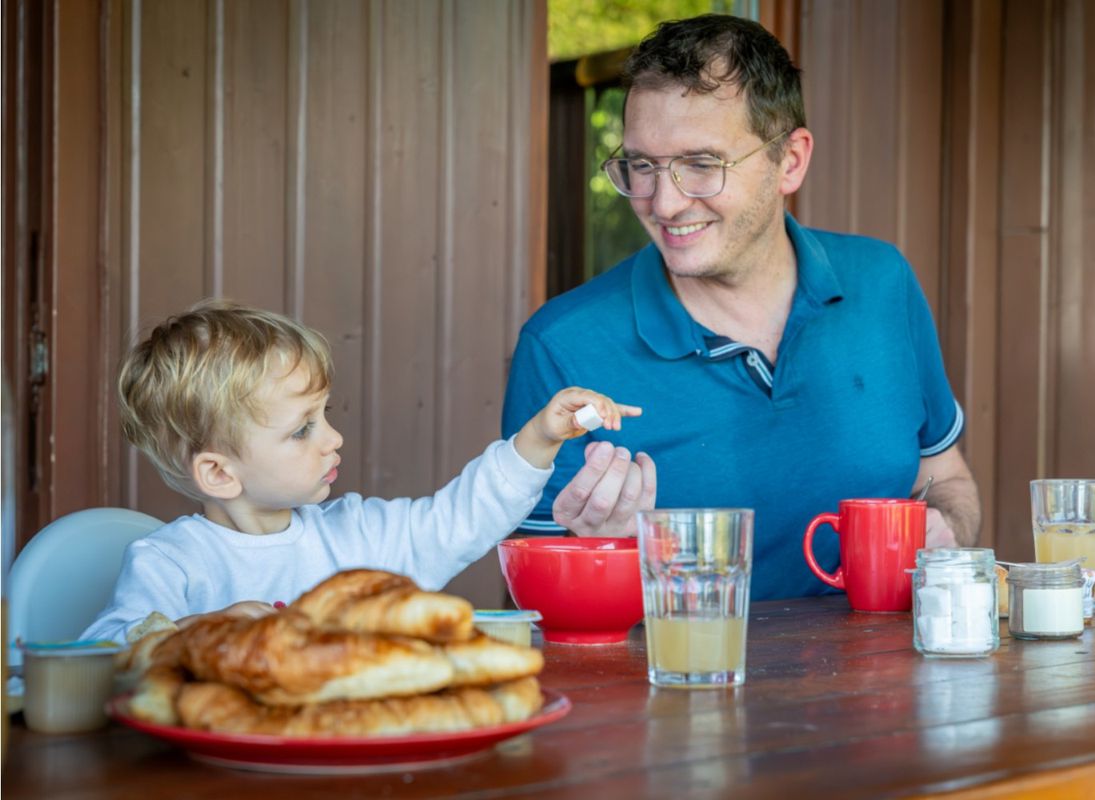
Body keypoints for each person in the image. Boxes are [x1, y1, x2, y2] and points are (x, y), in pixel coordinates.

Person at [501, 14, 980, 600]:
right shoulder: (562, 345)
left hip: (891, 664)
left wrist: (946, 530)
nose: (664, 204)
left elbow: (945, 476)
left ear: (790, 161)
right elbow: (537, 605)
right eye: (643, 166)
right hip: (684, 662)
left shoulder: (883, 282)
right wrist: (610, 555)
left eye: (702, 165)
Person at [83, 301, 638, 643]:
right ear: (220, 474)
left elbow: (460, 521)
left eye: (325, 415)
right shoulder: (170, 563)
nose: (333, 438)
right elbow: (105, 651)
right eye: (302, 430)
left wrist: (538, 438)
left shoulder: (357, 534)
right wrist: (200, 630)